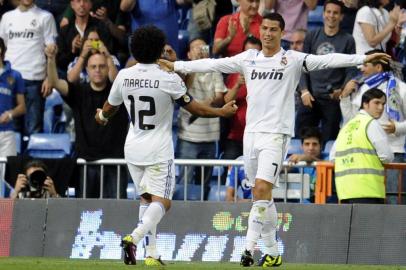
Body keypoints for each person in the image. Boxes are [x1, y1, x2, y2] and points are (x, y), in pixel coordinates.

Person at [160, 12, 390, 267]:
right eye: (265, 29)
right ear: (261, 31)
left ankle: (247, 249)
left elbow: (327, 60)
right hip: (250, 135)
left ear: (282, 33)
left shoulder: (291, 59)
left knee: (260, 189)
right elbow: (214, 64)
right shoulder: (249, 59)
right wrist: (178, 65)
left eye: (273, 29)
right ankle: (272, 251)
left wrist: (364, 57)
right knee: (263, 196)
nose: (268, 33)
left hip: (276, 135)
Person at [94, 25, 237, 266]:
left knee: (146, 200)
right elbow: (195, 108)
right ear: (160, 50)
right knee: (163, 202)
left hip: (133, 147)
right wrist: (221, 112)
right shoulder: (168, 79)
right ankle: (134, 238)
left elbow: (109, 108)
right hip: (158, 149)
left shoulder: (124, 75)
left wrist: (101, 117)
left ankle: (151, 254)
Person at [46, 45, 129, 199]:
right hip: (86, 164)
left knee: (116, 216)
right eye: (93, 67)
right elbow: (55, 82)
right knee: (86, 217)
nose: (98, 70)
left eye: (102, 66)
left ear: (108, 67)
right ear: (87, 70)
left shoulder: (119, 94)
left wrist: (109, 58)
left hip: (115, 163)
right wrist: (51, 59)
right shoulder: (79, 92)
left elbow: (120, 82)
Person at [340, 49, 406, 204]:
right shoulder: (362, 88)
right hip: (366, 156)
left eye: (365, 64)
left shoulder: (401, 88)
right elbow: (352, 120)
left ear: (378, 67)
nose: (361, 69)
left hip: (393, 153)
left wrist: (398, 128)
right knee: (372, 202)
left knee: (393, 201)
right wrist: (344, 97)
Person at [296, 0, 358, 143]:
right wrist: (304, 90)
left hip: (332, 100)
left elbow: (351, 69)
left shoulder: (348, 40)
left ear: (341, 16)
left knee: (330, 141)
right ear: (323, 14)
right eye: (328, 12)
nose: (331, 16)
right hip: (310, 97)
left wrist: (342, 90)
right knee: (300, 139)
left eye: (335, 13)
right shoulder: (311, 36)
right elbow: (302, 65)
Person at [175, 38, 227, 199]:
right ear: (189, 54)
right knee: (185, 183)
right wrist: (195, 65)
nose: (199, 50)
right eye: (194, 48)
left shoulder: (215, 70)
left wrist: (205, 103)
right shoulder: (185, 71)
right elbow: (184, 88)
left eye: (202, 47)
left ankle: (201, 220)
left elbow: (220, 98)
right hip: (188, 137)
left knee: (204, 185)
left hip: (210, 137)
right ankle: (182, 221)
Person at [0, 0, 57, 135]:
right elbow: (2, 48)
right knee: (9, 130)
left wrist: (49, 77)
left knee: (34, 130)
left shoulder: (46, 17)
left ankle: (33, 157)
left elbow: (52, 50)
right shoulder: (7, 17)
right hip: (10, 81)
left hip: (34, 79)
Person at [330, 88, 394, 203]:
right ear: (365, 104)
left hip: (345, 192)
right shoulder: (371, 124)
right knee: (369, 222)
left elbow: (333, 158)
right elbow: (387, 156)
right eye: (377, 103)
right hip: (368, 190)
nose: (381, 108)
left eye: (383, 104)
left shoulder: (346, 127)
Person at [0, 37, 26, 158]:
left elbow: (22, 107)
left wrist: (9, 114)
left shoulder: (15, 75)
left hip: (6, 133)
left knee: (5, 174)